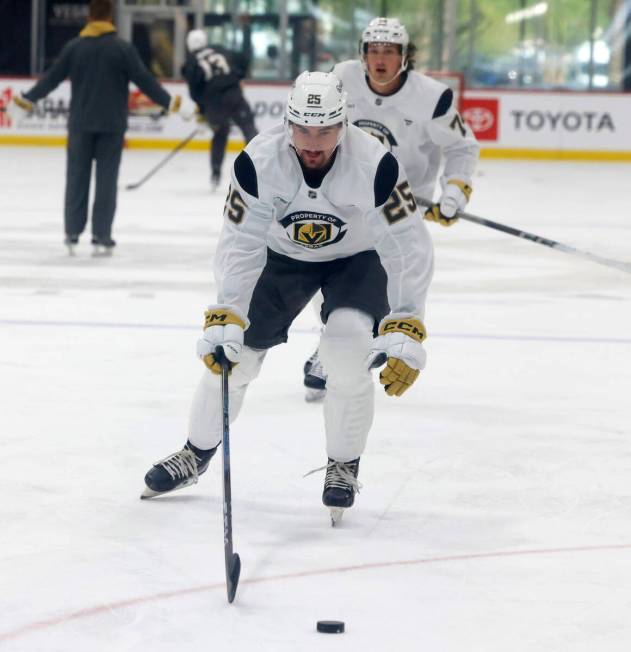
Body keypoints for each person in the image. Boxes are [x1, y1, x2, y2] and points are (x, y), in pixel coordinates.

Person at [141, 71, 434, 524]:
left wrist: (406, 318)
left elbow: (406, 244)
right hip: (283, 256)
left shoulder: (375, 164)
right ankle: (194, 453)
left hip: (357, 258)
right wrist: (229, 312)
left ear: (344, 125)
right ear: (287, 122)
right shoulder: (258, 160)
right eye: (303, 130)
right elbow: (240, 242)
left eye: (325, 131)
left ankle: (342, 464)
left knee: (346, 348)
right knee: (234, 361)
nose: (313, 143)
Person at [302, 16, 479, 400]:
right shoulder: (340, 78)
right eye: (373, 51)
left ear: (405, 56)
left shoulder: (432, 97)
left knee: (395, 275)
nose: (380, 60)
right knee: (327, 267)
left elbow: (462, 147)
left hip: (400, 204)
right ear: (363, 54)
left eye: (390, 51)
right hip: (346, 197)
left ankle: (382, 334)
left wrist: (455, 190)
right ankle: (329, 344)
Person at [11, 0, 195, 256]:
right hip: (111, 125)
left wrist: (25, 101)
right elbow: (146, 82)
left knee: (76, 178)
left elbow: (51, 80)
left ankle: (72, 232)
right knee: (106, 181)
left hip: (80, 125)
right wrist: (174, 104)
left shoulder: (74, 47)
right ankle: (101, 234)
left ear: (90, 16)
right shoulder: (122, 49)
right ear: (110, 17)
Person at [182, 28, 258, 191]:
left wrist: (203, 112)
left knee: (220, 133)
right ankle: (261, 167)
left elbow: (195, 92)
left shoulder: (190, 62)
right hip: (234, 94)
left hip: (215, 104)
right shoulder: (219, 49)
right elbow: (243, 59)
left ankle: (215, 174)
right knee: (249, 129)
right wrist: (239, 76)